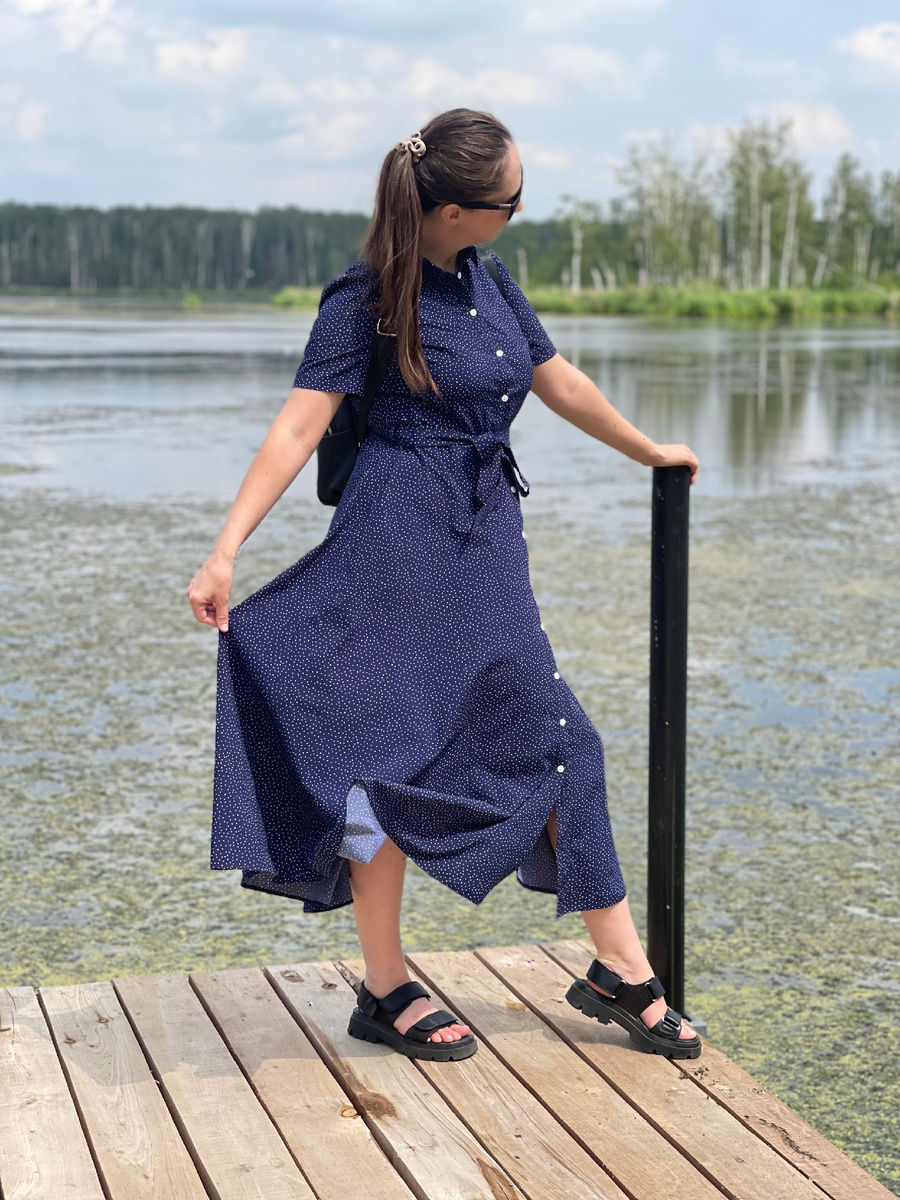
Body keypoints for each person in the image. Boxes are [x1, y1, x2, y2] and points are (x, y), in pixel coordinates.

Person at [187, 108, 701, 1063]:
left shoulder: (490, 279)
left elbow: (556, 379)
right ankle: (387, 987)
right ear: (456, 210)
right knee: (383, 758)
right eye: (512, 201)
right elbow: (299, 425)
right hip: (392, 546)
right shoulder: (367, 298)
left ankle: (616, 968)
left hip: (484, 544)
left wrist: (649, 451)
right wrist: (225, 550)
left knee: (564, 740)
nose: (517, 214)